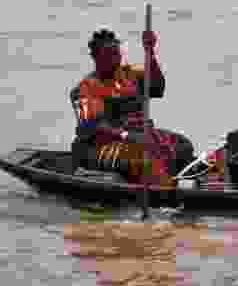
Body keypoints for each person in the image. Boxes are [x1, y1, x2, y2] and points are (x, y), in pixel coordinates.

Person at [71, 28, 195, 186]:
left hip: (141, 136)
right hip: (99, 146)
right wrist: (127, 135)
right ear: (96, 58)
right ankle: (163, 192)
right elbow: (95, 127)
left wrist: (149, 52)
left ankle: (179, 181)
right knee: (143, 157)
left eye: (117, 53)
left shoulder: (131, 74)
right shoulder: (87, 87)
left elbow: (157, 87)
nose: (115, 58)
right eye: (109, 54)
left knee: (183, 145)